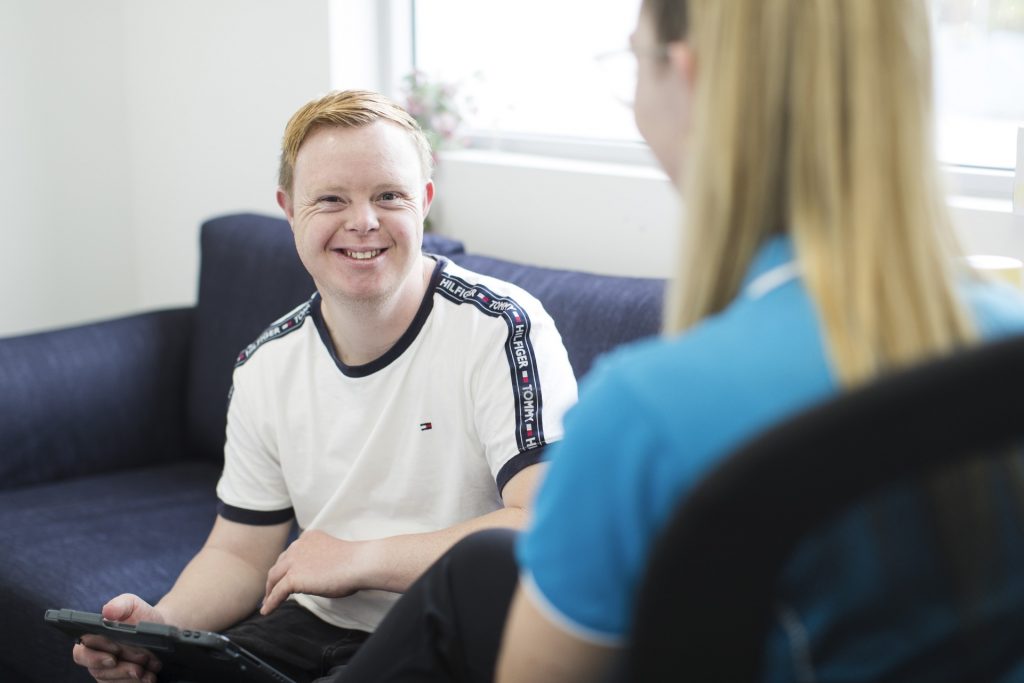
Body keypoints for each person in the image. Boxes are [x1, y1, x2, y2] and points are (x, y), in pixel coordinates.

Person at [332, 1, 1024, 682]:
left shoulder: (642, 414)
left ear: (685, 75)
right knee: (482, 569)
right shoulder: (1006, 339)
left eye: (633, 60)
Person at [70, 90, 578, 683]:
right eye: (331, 199)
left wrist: (361, 560)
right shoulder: (266, 363)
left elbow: (544, 525)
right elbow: (239, 553)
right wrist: (158, 630)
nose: (362, 222)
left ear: (425, 204)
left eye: (389, 196)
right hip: (309, 624)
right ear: (289, 211)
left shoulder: (502, 327)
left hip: (450, 626)